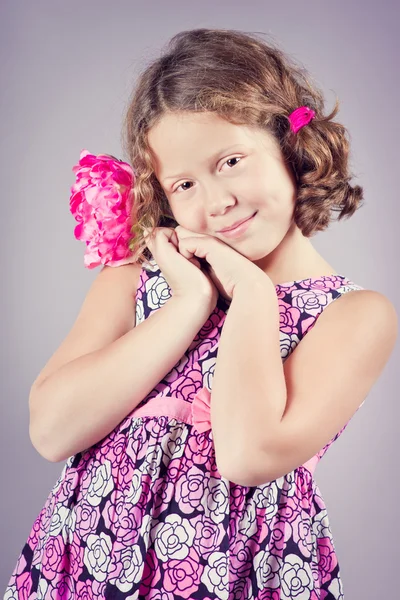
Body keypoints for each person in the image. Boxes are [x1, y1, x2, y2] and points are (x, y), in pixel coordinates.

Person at [4, 28, 397, 600]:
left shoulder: (354, 315)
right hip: (91, 561)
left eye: (232, 160)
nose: (217, 201)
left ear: (292, 150)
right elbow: (51, 429)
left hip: (239, 567)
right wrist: (191, 303)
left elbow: (247, 454)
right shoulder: (141, 278)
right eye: (184, 183)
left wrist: (254, 296)